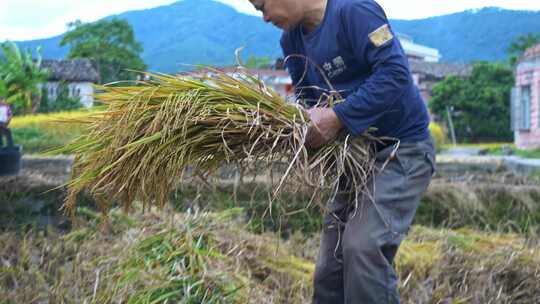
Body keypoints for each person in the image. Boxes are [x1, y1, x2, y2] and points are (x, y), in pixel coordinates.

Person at [248, 0, 436, 303]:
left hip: (402, 150)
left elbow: (395, 74)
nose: (265, 18)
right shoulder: (291, 41)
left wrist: (336, 118)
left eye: (262, 6)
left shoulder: (354, 11)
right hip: (355, 159)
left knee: (362, 248)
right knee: (329, 269)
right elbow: (309, 103)